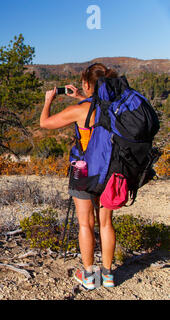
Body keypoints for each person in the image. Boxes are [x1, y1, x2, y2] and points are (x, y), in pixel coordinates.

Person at [39, 63, 116, 290]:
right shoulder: (114, 107)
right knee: (106, 223)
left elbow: (44, 123)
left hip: (83, 169)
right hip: (110, 169)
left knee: (85, 223)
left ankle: (90, 276)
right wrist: (81, 95)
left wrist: (48, 101)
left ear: (85, 83)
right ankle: (108, 275)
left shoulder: (79, 110)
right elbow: (97, 110)